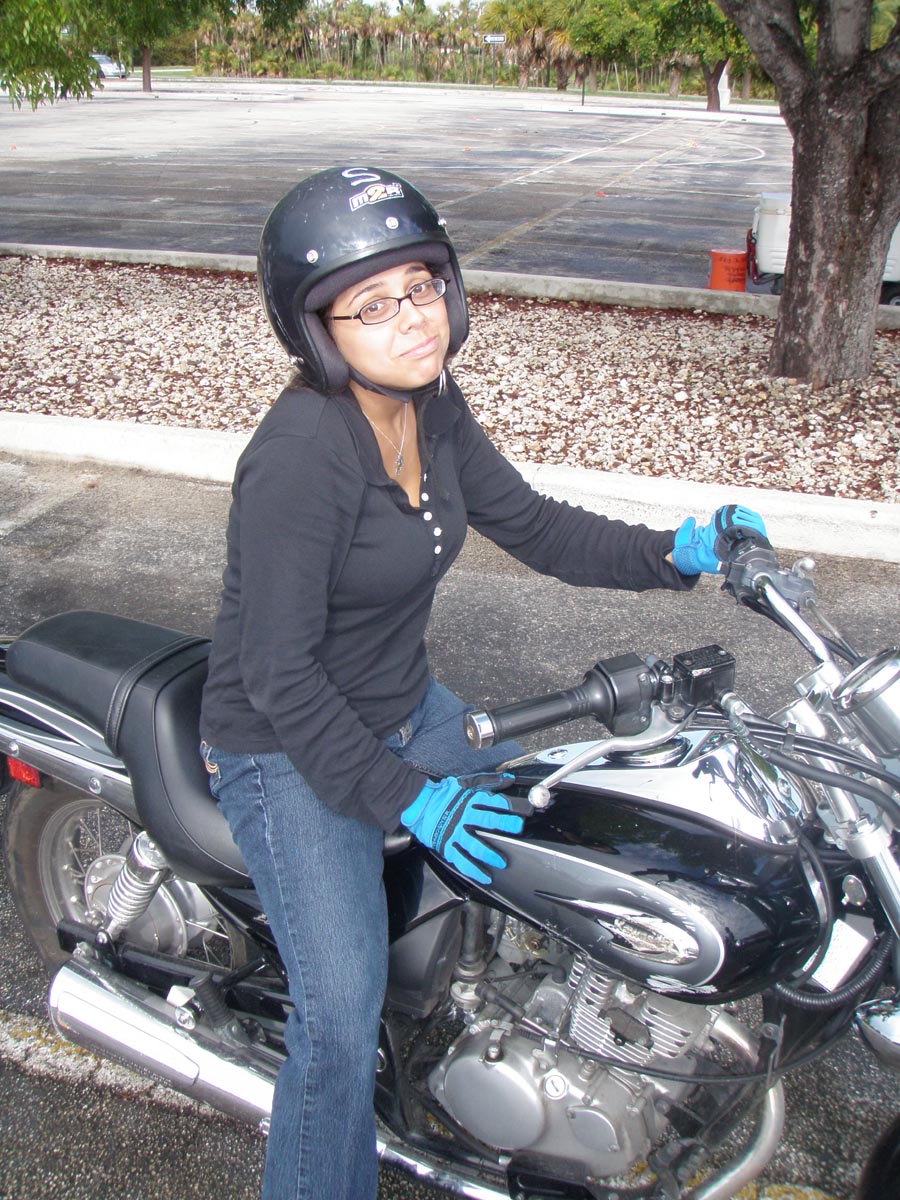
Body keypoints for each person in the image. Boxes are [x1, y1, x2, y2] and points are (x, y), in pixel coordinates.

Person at [198, 164, 768, 1200]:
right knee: (339, 1021)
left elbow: (535, 525)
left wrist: (677, 552)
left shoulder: (429, 402)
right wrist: (405, 796)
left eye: (420, 286)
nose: (412, 317)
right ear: (318, 329)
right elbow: (279, 677)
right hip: (285, 749)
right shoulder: (300, 458)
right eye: (373, 304)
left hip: (404, 706)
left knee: (561, 840)